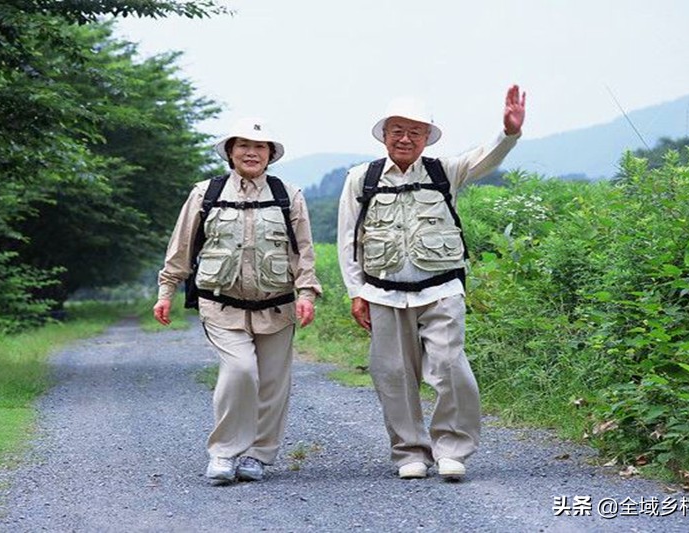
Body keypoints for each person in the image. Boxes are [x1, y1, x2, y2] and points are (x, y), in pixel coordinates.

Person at [337, 86, 526, 480]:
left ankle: (452, 449)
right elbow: (348, 240)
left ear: (426, 138)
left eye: (415, 132)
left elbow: (484, 159)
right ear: (385, 134)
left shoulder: (445, 171)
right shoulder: (361, 178)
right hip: (383, 293)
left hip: (441, 290)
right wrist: (356, 292)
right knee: (392, 374)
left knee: (449, 366)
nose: (405, 139)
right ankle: (409, 453)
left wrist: (507, 133)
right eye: (398, 130)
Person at [154, 117, 322, 484]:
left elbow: (304, 251)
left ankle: (259, 456)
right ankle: (225, 452)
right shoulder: (205, 193)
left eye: (259, 146)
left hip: (277, 305)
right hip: (221, 305)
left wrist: (307, 293)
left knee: (274, 381)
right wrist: (167, 289)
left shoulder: (287, 195)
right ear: (230, 152)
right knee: (241, 370)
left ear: (270, 154)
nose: (251, 152)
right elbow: (181, 246)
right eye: (243, 145)